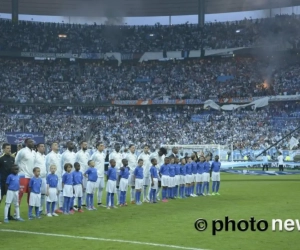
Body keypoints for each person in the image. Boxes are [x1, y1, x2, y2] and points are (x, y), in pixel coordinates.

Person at [15, 138, 36, 206]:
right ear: (26, 143)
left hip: (32, 176)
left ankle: (29, 212)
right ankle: (16, 212)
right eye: (30, 142)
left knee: (31, 194)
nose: (32, 143)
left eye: (32, 142)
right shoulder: (22, 151)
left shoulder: (34, 152)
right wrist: (19, 171)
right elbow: (16, 161)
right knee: (20, 193)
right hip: (23, 175)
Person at [46, 142, 63, 213]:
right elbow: (47, 165)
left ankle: (55, 208)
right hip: (51, 176)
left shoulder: (59, 155)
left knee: (58, 192)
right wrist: (49, 174)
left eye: (57, 144)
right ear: (51, 147)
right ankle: (47, 209)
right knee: (49, 193)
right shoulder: (49, 155)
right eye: (55, 145)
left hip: (58, 176)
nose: (57, 146)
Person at [0, 143, 15, 221]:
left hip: (10, 182)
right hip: (2, 182)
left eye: (10, 148)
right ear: (3, 149)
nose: (9, 150)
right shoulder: (1, 159)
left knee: (9, 199)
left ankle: (8, 215)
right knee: (0, 198)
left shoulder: (12, 158)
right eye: (7, 148)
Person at [90, 142, 106, 207]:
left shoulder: (103, 154)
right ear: (97, 147)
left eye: (103, 146)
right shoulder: (94, 154)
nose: (102, 147)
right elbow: (90, 162)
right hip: (96, 174)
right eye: (101, 146)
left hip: (102, 174)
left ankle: (99, 202)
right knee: (94, 189)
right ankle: (91, 203)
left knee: (101, 188)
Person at [75, 141, 89, 207]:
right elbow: (76, 163)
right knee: (79, 188)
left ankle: (83, 202)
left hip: (86, 174)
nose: (86, 145)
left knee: (85, 188)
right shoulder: (78, 153)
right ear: (81, 145)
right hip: (80, 173)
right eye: (84, 144)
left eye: (86, 144)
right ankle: (75, 203)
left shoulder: (88, 154)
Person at [34, 143, 47, 215]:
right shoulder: (35, 155)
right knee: (37, 194)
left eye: (44, 146)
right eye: (41, 146)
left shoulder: (45, 156)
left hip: (44, 177)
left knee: (43, 194)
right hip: (37, 177)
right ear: (37, 148)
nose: (43, 148)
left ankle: (41, 209)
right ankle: (37, 209)